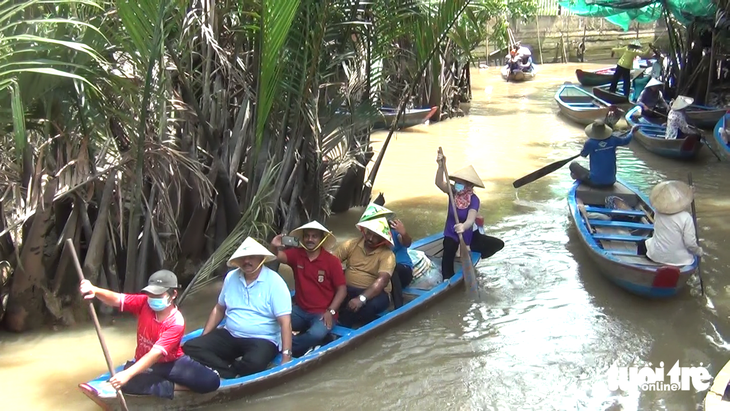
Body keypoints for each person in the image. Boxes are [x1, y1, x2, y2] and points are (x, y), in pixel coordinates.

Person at [78, 270, 220, 399]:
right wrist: (95, 290)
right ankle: (166, 385)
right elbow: (117, 299)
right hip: (144, 361)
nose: (152, 298)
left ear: (173, 294)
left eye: (158, 295)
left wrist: (127, 374)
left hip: (171, 362)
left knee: (212, 381)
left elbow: (155, 354)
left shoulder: (176, 322)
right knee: (127, 383)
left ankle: (176, 387)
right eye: (151, 294)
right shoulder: (144, 303)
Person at [182, 237, 292, 379]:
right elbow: (219, 309)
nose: (247, 261)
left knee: (255, 363)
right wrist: (205, 337)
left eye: (252, 257)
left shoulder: (275, 282)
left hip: (263, 338)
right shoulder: (231, 277)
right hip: (231, 334)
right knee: (191, 347)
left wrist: (286, 356)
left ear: (261, 259)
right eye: (243, 258)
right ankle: (229, 371)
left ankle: (225, 369)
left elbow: (285, 322)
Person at [270, 221, 346, 357]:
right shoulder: (297, 254)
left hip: (323, 312)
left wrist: (331, 311)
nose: (310, 239)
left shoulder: (332, 261)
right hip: (300, 310)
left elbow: (342, 290)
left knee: (315, 334)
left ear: (321, 238)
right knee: (272, 323)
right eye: (307, 236)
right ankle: (293, 345)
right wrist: (274, 246)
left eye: (314, 236)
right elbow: (277, 256)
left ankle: (284, 345)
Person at [434, 154, 504, 280]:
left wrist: (463, 226)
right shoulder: (453, 192)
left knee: (498, 244)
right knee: (449, 248)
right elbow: (439, 183)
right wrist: (440, 166)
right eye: (456, 182)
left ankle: (470, 252)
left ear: (469, 186)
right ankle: (447, 278)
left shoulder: (474, 200)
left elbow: (470, 220)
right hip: (451, 232)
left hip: (466, 233)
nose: (456, 185)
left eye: (460, 184)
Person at [332, 216, 395, 327]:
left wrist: (362, 298)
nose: (370, 238)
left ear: (382, 238)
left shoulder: (387, 255)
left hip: (375, 294)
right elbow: (331, 263)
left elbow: (382, 281)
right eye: (369, 233)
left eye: (375, 236)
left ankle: (342, 325)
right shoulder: (351, 244)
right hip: (348, 289)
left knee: (368, 307)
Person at [360, 200, 414, 308]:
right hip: (381, 272)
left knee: (390, 268)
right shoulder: (370, 234)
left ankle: (399, 306)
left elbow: (407, 243)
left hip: (402, 269)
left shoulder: (393, 230)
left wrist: (403, 233)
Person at [637, 181, 703, 266]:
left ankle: (642, 266)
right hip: (681, 261)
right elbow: (690, 243)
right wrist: (698, 251)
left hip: (656, 256)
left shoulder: (658, 212)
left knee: (642, 243)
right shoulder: (686, 217)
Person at [569, 120, 636, 188]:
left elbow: (583, 154)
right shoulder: (613, 139)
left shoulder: (590, 143)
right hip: (611, 181)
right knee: (592, 172)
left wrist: (584, 150)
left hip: (595, 183)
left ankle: (576, 177)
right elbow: (626, 140)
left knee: (573, 165)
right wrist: (631, 132)